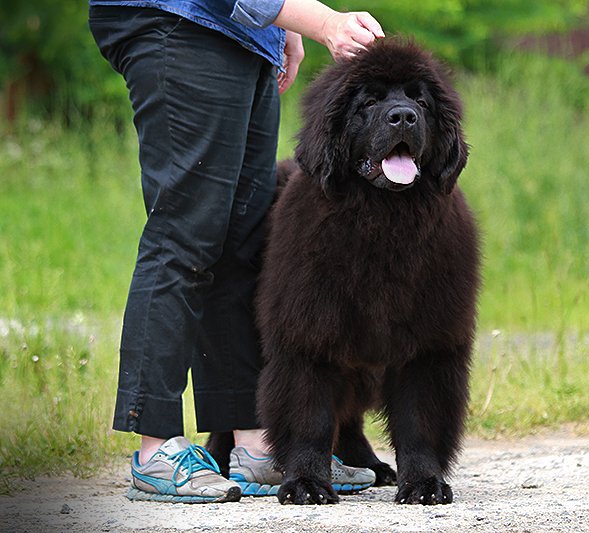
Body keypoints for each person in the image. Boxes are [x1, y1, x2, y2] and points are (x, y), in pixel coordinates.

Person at [88, 0, 384, 503]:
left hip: (244, 34)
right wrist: (323, 22)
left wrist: (283, 28)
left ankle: (255, 443)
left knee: (240, 244)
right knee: (184, 236)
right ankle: (156, 448)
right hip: (180, 22)